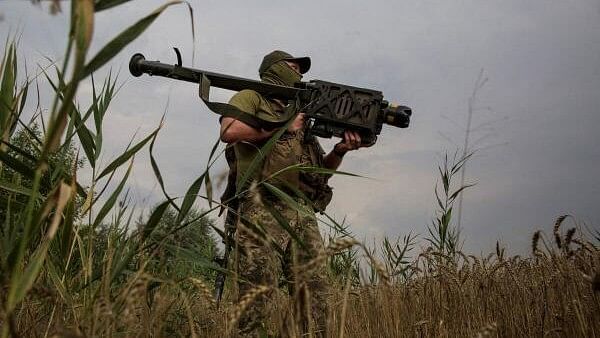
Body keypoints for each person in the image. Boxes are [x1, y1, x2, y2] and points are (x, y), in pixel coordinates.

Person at [219, 50, 370, 337]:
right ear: (274, 69)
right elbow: (229, 130)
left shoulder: (302, 113)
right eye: (292, 67)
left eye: (301, 69)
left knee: (316, 297)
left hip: (301, 212)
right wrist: (281, 128)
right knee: (256, 296)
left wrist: (340, 151)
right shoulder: (252, 97)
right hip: (261, 207)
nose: (299, 73)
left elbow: (319, 171)